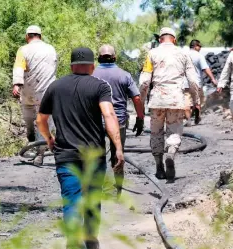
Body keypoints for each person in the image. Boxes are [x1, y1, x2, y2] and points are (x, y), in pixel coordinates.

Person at [36, 47, 124, 249]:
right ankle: (91, 243)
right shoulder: (100, 87)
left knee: (71, 201)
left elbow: (40, 120)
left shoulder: (55, 87)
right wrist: (118, 148)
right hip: (94, 157)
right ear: (92, 67)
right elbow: (109, 115)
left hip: (66, 156)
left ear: (71, 66)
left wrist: (49, 139)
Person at [139, 27, 200, 181]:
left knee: (156, 132)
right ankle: (171, 153)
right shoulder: (183, 53)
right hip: (176, 99)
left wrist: (141, 102)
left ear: (160, 39)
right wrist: (196, 101)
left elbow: (145, 81)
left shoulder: (152, 53)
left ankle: (159, 167)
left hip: (157, 99)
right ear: (174, 39)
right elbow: (193, 81)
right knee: (174, 131)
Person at [92, 44, 145, 197]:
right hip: (119, 122)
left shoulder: (91, 74)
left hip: (95, 122)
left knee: (97, 155)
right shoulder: (124, 75)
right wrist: (140, 118)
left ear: (99, 58)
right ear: (114, 57)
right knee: (118, 154)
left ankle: (98, 188)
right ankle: (118, 190)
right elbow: (136, 98)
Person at [12, 25, 57, 165]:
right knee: (43, 123)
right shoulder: (51, 49)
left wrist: (16, 84)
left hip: (28, 92)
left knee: (29, 120)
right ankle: (40, 152)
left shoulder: (23, 49)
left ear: (27, 36)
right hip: (47, 92)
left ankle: (32, 142)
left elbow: (19, 67)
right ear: (40, 36)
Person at [183, 39, 218, 126]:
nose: (200, 48)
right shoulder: (199, 56)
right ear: (196, 46)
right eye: (200, 46)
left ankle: (188, 119)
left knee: (186, 101)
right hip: (196, 82)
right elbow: (205, 68)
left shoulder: (183, 55)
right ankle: (197, 114)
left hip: (185, 83)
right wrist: (213, 79)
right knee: (199, 100)